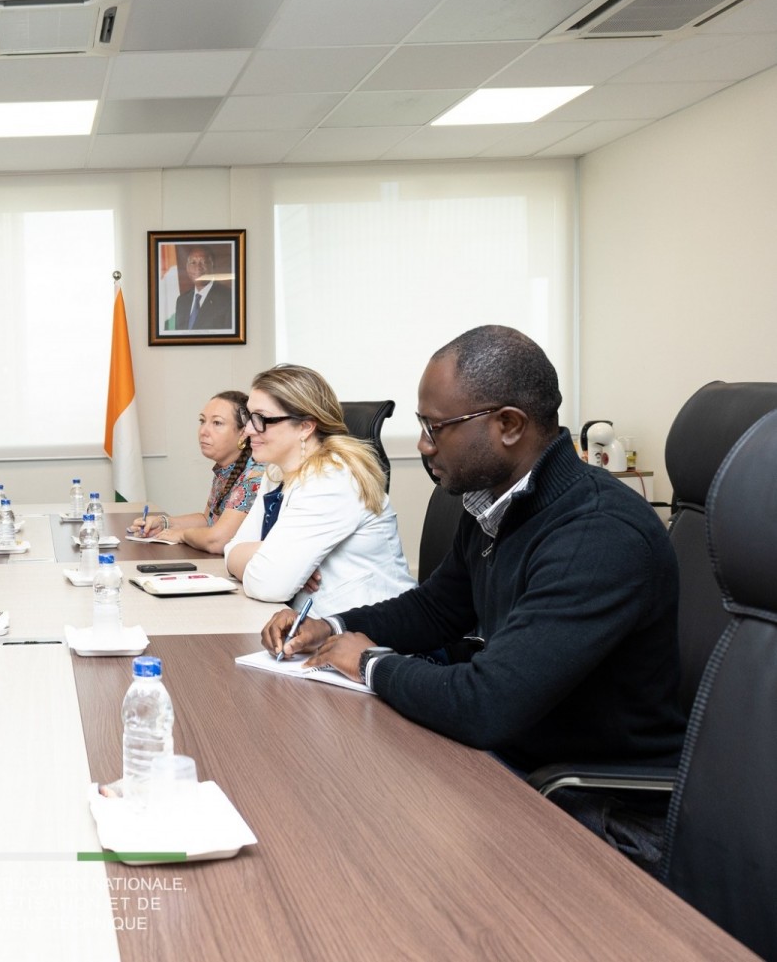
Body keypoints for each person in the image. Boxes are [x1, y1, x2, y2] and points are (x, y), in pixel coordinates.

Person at [264, 326, 684, 868]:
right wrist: (334, 627)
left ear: (508, 425)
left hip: (593, 807)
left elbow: (487, 704)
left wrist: (368, 663)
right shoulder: (499, 502)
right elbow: (437, 608)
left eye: (435, 427)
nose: (423, 445)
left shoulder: (598, 534)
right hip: (515, 760)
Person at [224, 365, 415, 613]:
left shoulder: (332, 478)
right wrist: (272, 554)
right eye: (249, 416)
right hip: (318, 622)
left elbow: (267, 584)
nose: (249, 429)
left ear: (305, 427)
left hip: (374, 628)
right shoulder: (276, 472)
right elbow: (230, 551)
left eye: (261, 419)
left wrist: (276, 561)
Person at [127, 391, 263, 554]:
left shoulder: (254, 476)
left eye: (217, 423)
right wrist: (163, 523)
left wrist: (182, 535)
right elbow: (208, 520)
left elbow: (217, 540)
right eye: (202, 421)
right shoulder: (227, 469)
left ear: (243, 433)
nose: (203, 431)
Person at [170, 246, 233, 331]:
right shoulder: (182, 301)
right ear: (187, 268)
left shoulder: (228, 298)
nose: (198, 267)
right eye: (193, 262)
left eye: (204, 262)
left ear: (213, 266)